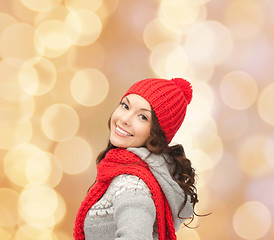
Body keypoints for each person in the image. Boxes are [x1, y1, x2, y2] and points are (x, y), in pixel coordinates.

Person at [73, 78, 199, 240]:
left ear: (157, 134)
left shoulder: (132, 186)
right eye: (125, 106)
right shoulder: (126, 172)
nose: (125, 119)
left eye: (142, 117)